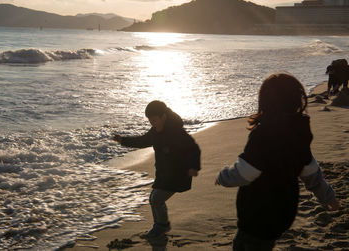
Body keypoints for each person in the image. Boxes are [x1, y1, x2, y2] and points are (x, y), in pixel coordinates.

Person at [215, 73, 340, 251]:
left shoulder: (263, 134)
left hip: (257, 213)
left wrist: (223, 176)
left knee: (245, 244)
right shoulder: (300, 132)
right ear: (298, 101)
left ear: (265, 101)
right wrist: (328, 197)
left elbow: (246, 173)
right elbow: (312, 174)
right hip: (284, 211)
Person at [113, 100, 201, 238]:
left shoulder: (176, 132)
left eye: (154, 120)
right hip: (164, 173)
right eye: (150, 121)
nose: (152, 124)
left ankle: (161, 226)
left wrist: (193, 167)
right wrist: (123, 140)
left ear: (163, 117)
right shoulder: (155, 131)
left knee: (156, 199)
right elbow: (142, 141)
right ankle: (160, 226)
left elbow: (193, 148)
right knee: (153, 198)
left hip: (178, 174)